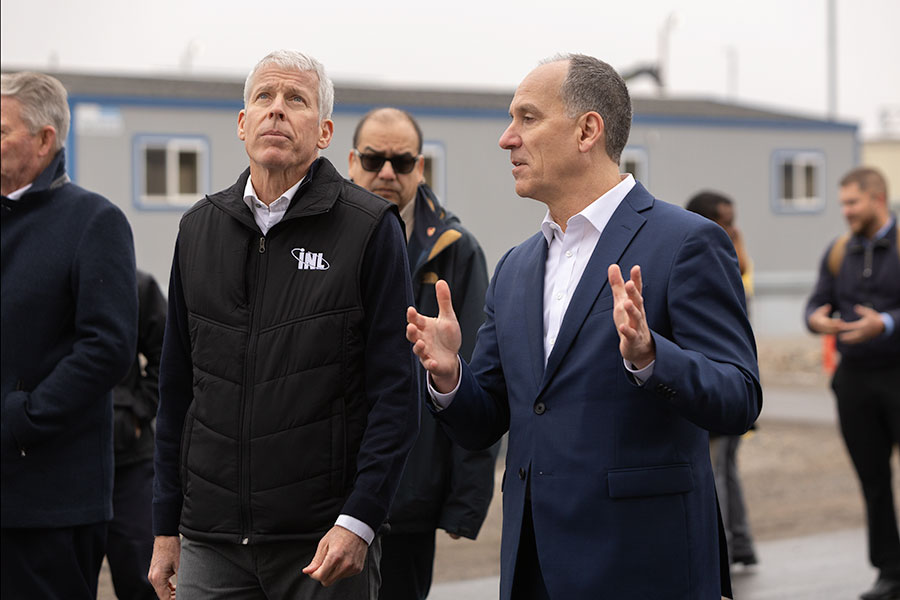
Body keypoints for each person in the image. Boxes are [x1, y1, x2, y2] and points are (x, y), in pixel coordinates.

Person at [406, 54, 762, 600]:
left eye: (527, 118)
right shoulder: (516, 266)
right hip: (533, 566)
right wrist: (451, 376)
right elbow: (487, 420)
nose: (506, 139)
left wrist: (651, 357)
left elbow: (739, 397)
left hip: (644, 567)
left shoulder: (687, 242)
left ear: (587, 130)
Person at [148, 50, 418, 600]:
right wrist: (164, 525)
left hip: (322, 543)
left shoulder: (369, 228)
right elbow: (175, 391)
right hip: (210, 540)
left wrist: (360, 520)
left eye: (296, 99)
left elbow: (395, 395)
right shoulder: (198, 229)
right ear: (242, 122)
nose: (277, 109)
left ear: (324, 132)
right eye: (263, 97)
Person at [348, 108, 498, 600]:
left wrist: (465, 501)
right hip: (324, 490)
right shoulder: (315, 241)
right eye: (374, 159)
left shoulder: (457, 252)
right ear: (351, 161)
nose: (387, 172)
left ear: (421, 167)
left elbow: (478, 377)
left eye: (402, 161)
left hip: (407, 496)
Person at [1, 71, 138, 599]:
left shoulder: (93, 221)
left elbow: (108, 347)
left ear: (44, 140)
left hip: (46, 502)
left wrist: (21, 417)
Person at [805, 167, 900, 600]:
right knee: (873, 481)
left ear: (877, 198)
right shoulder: (839, 250)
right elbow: (815, 303)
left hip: (896, 372)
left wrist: (885, 323)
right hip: (855, 381)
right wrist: (816, 320)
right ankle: (890, 572)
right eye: (843, 203)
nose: (845, 211)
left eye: (852, 202)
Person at [686, 190, 759, 568]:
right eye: (724, 222)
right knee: (722, 469)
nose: (731, 230)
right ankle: (737, 544)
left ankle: (729, 549)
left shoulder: (723, 263)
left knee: (720, 470)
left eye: (733, 222)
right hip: (715, 385)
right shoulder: (703, 260)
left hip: (727, 385)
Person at [106, 269, 167, 600]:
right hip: (58, 461)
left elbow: (169, 354)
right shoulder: (38, 277)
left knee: (143, 580)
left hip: (128, 460)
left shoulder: (134, 284)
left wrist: (138, 411)